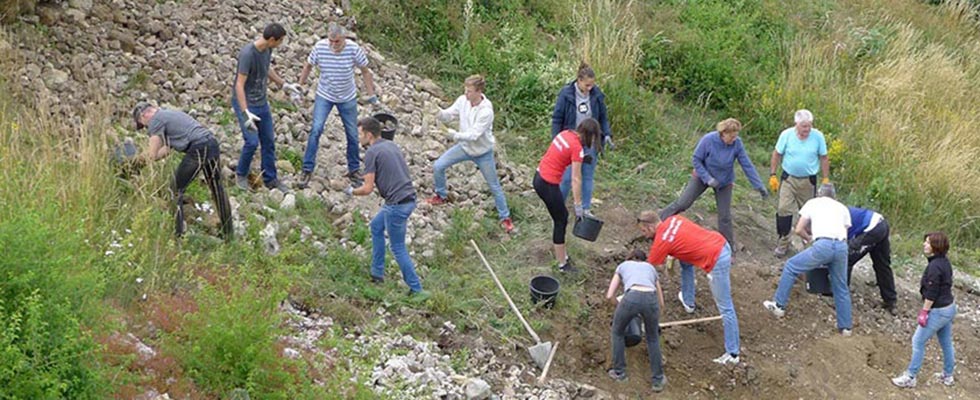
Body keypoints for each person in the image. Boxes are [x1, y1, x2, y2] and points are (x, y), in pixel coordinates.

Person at [637, 210, 741, 365]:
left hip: (716, 259)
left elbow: (647, 271)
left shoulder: (661, 241)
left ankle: (733, 354)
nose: (645, 235)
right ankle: (688, 301)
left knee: (726, 308)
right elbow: (682, 238)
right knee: (684, 260)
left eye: (644, 231)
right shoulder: (674, 219)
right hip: (720, 242)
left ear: (650, 227)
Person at [347, 117, 429, 302]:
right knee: (376, 226)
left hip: (396, 205)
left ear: (369, 135)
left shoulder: (371, 153)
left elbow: (367, 189)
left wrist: (351, 191)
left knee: (397, 247)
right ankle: (377, 274)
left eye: (360, 133)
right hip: (407, 198)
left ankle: (417, 289)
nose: (358, 137)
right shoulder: (391, 145)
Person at [659, 118, 768, 251]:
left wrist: (759, 185)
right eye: (732, 136)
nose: (734, 139)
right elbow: (696, 159)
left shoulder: (737, 144)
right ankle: (658, 221)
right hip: (702, 176)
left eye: (736, 136)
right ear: (723, 133)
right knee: (683, 203)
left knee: (724, 216)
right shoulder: (708, 140)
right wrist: (707, 178)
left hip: (724, 181)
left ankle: (727, 246)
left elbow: (747, 165)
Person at [426, 75, 513, 233]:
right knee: (438, 165)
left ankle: (505, 217)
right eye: (465, 90)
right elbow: (448, 115)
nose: (466, 94)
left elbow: (474, 135)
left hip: (483, 152)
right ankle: (441, 195)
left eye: (469, 91)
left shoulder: (486, 110)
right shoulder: (462, 101)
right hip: (465, 147)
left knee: (494, 186)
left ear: (479, 92)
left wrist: (453, 134)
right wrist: (437, 112)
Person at [296, 21, 379, 188]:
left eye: (337, 42)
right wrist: (300, 85)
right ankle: (307, 168)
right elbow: (308, 65)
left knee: (352, 134)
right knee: (316, 129)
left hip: (347, 97)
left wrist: (371, 95)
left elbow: (365, 71)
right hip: (324, 95)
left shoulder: (354, 49)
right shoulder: (320, 47)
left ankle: (354, 169)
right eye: (331, 41)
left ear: (344, 39)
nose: (333, 45)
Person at [132, 102, 232, 239]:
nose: (145, 128)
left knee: (174, 189)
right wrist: (144, 160)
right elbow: (165, 150)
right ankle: (228, 234)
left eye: (142, 124)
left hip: (198, 148)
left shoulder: (155, 121)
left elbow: (151, 154)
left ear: (144, 115)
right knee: (217, 189)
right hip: (211, 143)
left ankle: (177, 235)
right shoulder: (170, 115)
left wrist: (133, 164)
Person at [763, 184, 853, 336]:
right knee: (840, 286)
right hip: (842, 247)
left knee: (791, 266)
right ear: (834, 196)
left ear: (819, 194)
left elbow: (798, 229)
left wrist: (810, 238)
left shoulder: (813, 203)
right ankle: (846, 328)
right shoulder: (842, 208)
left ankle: (779, 305)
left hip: (822, 245)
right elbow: (845, 231)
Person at [232, 22, 294, 192]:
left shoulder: (267, 49)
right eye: (280, 41)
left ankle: (270, 179)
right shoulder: (247, 54)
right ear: (272, 39)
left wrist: (284, 85)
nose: (281, 44)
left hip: (261, 102)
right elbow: (239, 84)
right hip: (246, 102)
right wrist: (245, 113)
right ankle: (241, 174)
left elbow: (267, 69)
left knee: (268, 141)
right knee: (251, 142)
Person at [534, 118, 602, 272]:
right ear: (589, 135)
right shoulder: (577, 147)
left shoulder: (565, 134)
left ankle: (562, 256)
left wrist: (582, 159)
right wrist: (578, 206)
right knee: (561, 219)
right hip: (547, 184)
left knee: (560, 216)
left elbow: (563, 153)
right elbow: (576, 179)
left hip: (538, 177)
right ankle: (562, 264)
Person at [892, 231, 957, 388]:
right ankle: (948, 375)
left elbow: (932, 292)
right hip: (949, 307)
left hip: (939, 310)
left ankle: (910, 376)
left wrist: (924, 311)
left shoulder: (934, 267)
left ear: (936, 246)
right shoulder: (944, 262)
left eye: (928, 243)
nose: (924, 244)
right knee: (946, 342)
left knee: (918, 341)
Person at [551, 62, 612, 215]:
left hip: (591, 141)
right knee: (567, 177)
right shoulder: (566, 94)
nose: (589, 88)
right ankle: (558, 207)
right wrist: (556, 139)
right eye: (587, 85)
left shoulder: (596, 94)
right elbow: (557, 118)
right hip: (572, 141)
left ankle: (585, 208)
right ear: (579, 81)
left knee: (588, 175)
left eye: (592, 85)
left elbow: (603, 117)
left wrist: (607, 134)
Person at [769, 109, 830, 257]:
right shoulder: (786, 135)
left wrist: (825, 179)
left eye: (809, 126)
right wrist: (773, 174)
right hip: (789, 179)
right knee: (783, 210)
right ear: (796, 124)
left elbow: (824, 157)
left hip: (808, 181)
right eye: (804, 126)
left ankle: (809, 245)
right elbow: (777, 154)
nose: (807, 130)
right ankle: (783, 243)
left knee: (809, 214)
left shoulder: (818, 137)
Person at [605, 249, 666, 392]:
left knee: (617, 333)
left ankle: (620, 373)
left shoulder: (623, 266)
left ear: (630, 258)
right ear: (644, 260)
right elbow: (661, 301)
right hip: (651, 299)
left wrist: (620, 306)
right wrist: (656, 315)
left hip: (631, 297)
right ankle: (658, 380)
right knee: (653, 339)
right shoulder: (650, 268)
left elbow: (609, 296)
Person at [846, 206, 897, 315]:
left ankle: (839, 297)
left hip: (871, 229)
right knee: (882, 265)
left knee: (846, 260)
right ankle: (890, 301)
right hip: (880, 222)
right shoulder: (840, 209)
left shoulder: (833, 216)